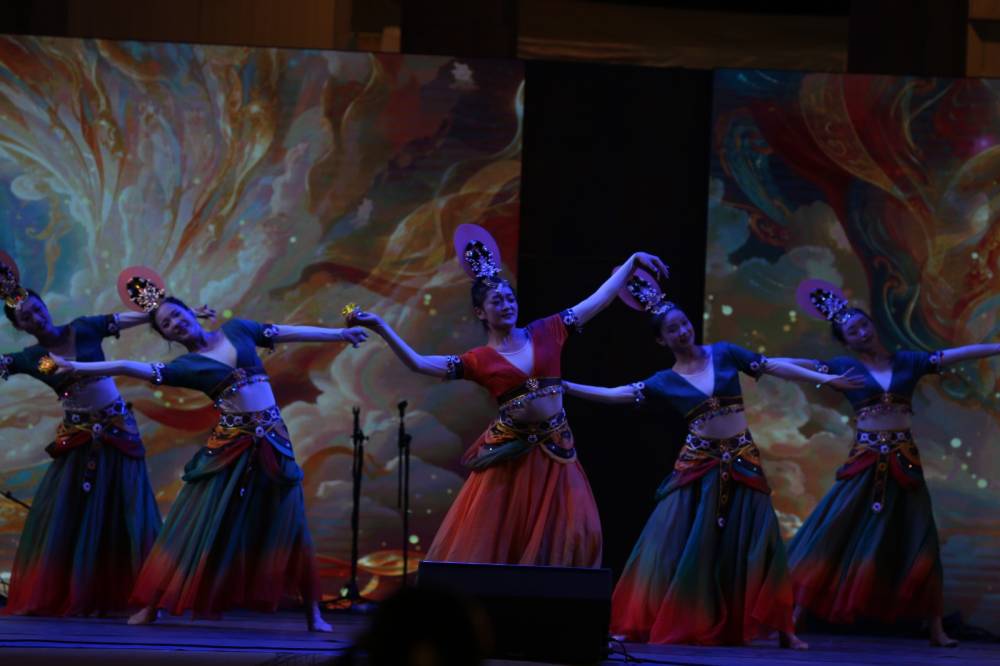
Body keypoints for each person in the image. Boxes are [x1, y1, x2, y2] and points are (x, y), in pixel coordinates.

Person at [50, 270, 367, 631]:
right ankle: (152, 606)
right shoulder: (183, 367)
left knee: (292, 523)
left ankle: (314, 614)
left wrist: (339, 334)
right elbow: (126, 366)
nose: (175, 323)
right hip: (229, 447)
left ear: (189, 312)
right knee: (195, 521)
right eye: (167, 324)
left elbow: (286, 332)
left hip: (274, 442)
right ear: (167, 335)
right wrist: (76, 366)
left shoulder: (238, 330)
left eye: (176, 315)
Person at [562, 271, 861, 648]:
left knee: (761, 539)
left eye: (684, 324)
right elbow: (617, 394)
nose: (683, 331)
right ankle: (639, 619)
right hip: (698, 465)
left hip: (742, 459)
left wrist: (825, 379)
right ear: (661, 339)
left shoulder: (723, 353)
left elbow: (771, 365)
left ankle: (784, 629)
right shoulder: (664, 380)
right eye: (673, 329)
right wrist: (567, 386)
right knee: (667, 541)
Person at [350, 223, 669, 567]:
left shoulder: (549, 330)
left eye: (510, 298)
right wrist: (380, 327)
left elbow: (599, 300)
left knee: (574, 534)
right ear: (480, 312)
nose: (506, 305)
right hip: (511, 459)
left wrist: (632, 262)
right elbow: (418, 363)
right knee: (500, 540)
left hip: (557, 453)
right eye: (496, 301)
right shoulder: (478, 360)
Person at [777, 282, 1000, 648]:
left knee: (918, 535)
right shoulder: (843, 367)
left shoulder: (907, 362)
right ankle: (795, 617)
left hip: (903, 460)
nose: (861, 332)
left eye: (863, 325)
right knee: (833, 529)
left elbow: (954, 355)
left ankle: (936, 629)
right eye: (852, 331)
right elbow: (782, 366)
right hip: (865, 461)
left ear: (872, 325)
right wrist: (823, 377)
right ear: (846, 342)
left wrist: (995, 347)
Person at [0, 260, 165, 616]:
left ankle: (136, 596)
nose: (35, 318)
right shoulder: (32, 358)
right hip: (77, 436)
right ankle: (74, 593)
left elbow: (132, 319)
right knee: (71, 511)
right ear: (19, 326)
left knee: (125, 505)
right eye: (26, 318)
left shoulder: (85, 328)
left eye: (37, 309)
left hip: (118, 430)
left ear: (45, 307)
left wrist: (170, 311)